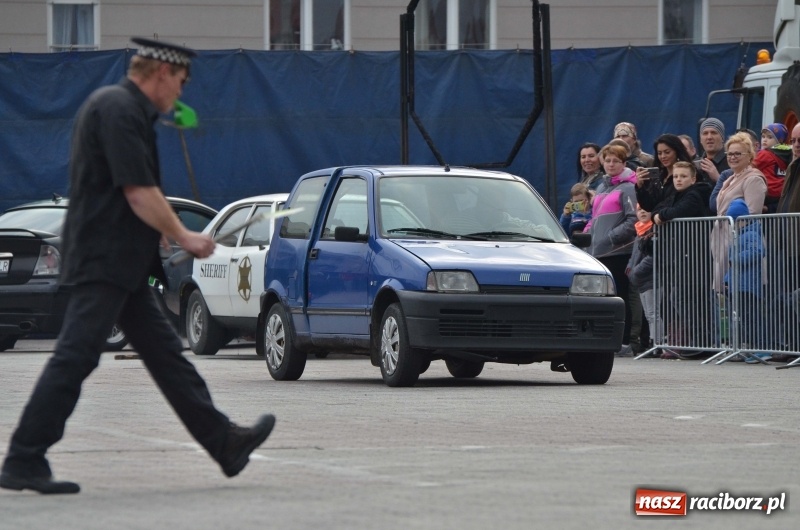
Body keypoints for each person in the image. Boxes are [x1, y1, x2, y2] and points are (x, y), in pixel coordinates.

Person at [0, 37, 275, 495]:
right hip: (103, 261)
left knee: (168, 357)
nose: (180, 95)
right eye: (181, 83)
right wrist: (185, 233)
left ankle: (224, 443)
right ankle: (24, 458)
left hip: (120, 263)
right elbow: (137, 190)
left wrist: (161, 230)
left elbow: (129, 194)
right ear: (162, 73)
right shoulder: (120, 109)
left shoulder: (122, 109)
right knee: (76, 356)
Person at [649, 161, 712, 359]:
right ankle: (697, 339)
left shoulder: (694, 194)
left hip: (695, 255)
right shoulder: (675, 195)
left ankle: (701, 340)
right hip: (681, 255)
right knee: (683, 297)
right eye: (676, 176)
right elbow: (655, 211)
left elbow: (675, 212)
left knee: (687, 297)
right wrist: (657, 216)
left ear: (693, 179)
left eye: (683, 176)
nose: (678, 180)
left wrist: (661, 216)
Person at [582, 143, 638, 355]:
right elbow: (594, 219)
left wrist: (612, 238)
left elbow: (633, 220)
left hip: (619, 252)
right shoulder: (603, 187)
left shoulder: (629, 188)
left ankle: (624, 343)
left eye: (616, 160)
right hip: (597, 252)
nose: (611, 164)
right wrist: (587, 238)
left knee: (620, 297)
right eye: (608, 160)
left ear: (624, 163)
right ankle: (602, 339)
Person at [711, 132, 767, 295]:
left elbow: (752, 214)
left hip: (740, 241)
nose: (732, 157)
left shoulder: (754, 178)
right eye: (730, 153)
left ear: (750, 156)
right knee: (722, 293)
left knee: (738, 291)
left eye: (737, 153)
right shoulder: (730, 178)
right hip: (723, 239)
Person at [722, 199, 769, 363]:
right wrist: (727, 279)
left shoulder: (751, 234)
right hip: (738, 285)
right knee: (744, 318)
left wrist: (735, 258)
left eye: (737, 221)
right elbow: (732, 265)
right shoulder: (740, 236)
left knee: (752, 318)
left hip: (748, 286)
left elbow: (757, 252)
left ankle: (761, 349)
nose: (735, 224)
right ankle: (750, 348)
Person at [635, 133, 695, 214]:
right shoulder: (659, 177)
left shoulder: (687, 173)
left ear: (676, 151)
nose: (663, 156)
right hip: (660, 224)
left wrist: (659, 215)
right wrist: (640, 187)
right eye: (659, 153)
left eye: (667, 152)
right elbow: (648, 206)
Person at [626, 205, 657, 353]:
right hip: (640, 279)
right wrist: (629, 266)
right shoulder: (639, 231)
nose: (642, 212)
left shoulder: (652, 231)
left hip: (650, 278)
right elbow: (634, 255)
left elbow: (649, 258)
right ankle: (652, 342)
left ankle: (656, 343)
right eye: (639, 210)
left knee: (653, 313)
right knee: (648, 313)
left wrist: (635, 271)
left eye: (646, 209)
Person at [753, 123, 791, 213]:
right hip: (782, 194)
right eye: (763, 136)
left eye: (770, 137)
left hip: (768, 193)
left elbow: (749, 166)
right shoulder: (788, 154)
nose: (765, 140)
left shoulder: (765, 154)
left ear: (779, 141)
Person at [698, 117, 730, 183]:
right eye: (705, 133)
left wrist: (717, 177)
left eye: (713, 132)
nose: (709, 137)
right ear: (701, 140)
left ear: (722, 138)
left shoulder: (731, 161)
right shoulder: (697, 165)